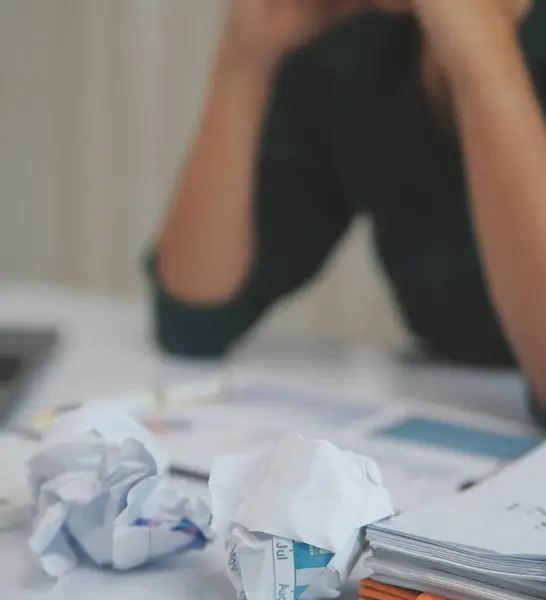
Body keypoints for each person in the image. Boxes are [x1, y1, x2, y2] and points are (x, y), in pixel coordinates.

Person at [148, 1, 546, 418]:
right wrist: (244, 61)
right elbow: (192, 320)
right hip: (444, 426)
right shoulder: (364, 39)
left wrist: (483, 58)